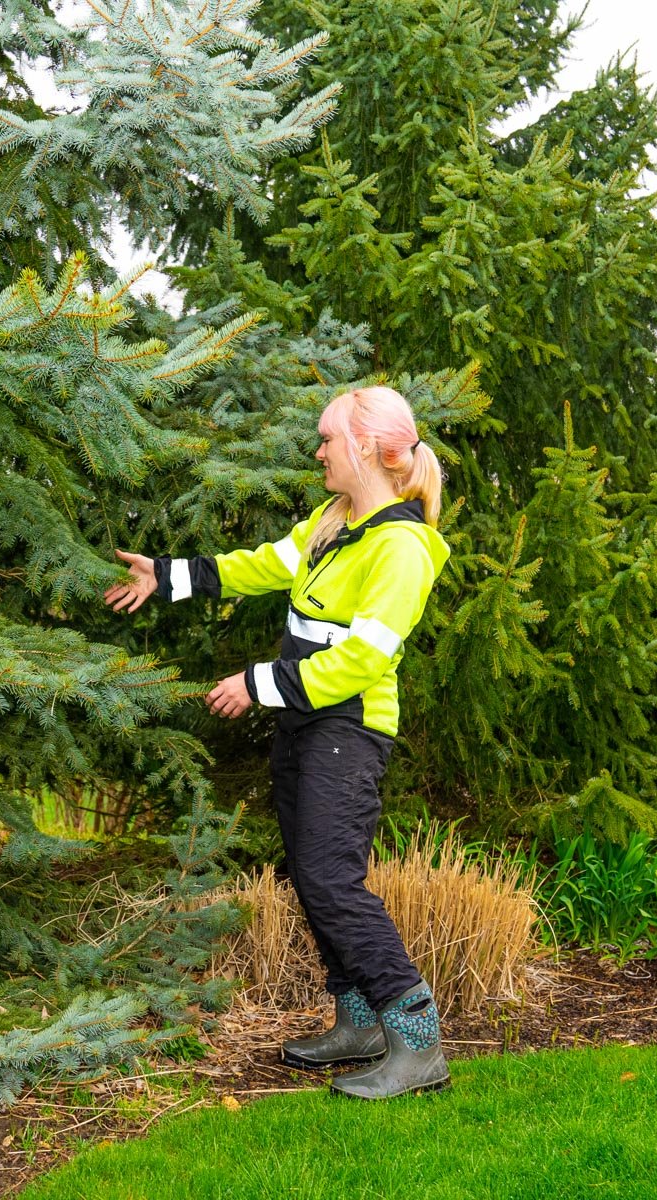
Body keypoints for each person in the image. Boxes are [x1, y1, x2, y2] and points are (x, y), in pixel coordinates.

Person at [103, 385, 452, 1100]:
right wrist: (168, 576)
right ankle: (356, 1023)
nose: (319, 451)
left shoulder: (402, 547)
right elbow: (264, 564)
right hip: (305, 723)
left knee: (332, 880)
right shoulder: (336, 521)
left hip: (349, 730)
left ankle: (417, 1041)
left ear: (362, 448)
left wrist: (257, 684)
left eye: (328, 439)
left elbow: (360, 662)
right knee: (309, 875)